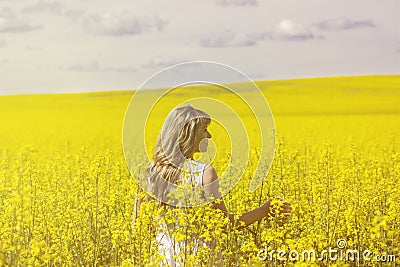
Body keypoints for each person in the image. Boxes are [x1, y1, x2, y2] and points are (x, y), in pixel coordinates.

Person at [131, 104, 292, 266]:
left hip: (163, 259)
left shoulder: (148, 173)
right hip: (200, 258)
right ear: (189, 135)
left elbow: (137, 227)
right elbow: (225, 225)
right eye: (205, 129)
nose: (210, 135)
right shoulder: (204, 173)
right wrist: (265, 209)